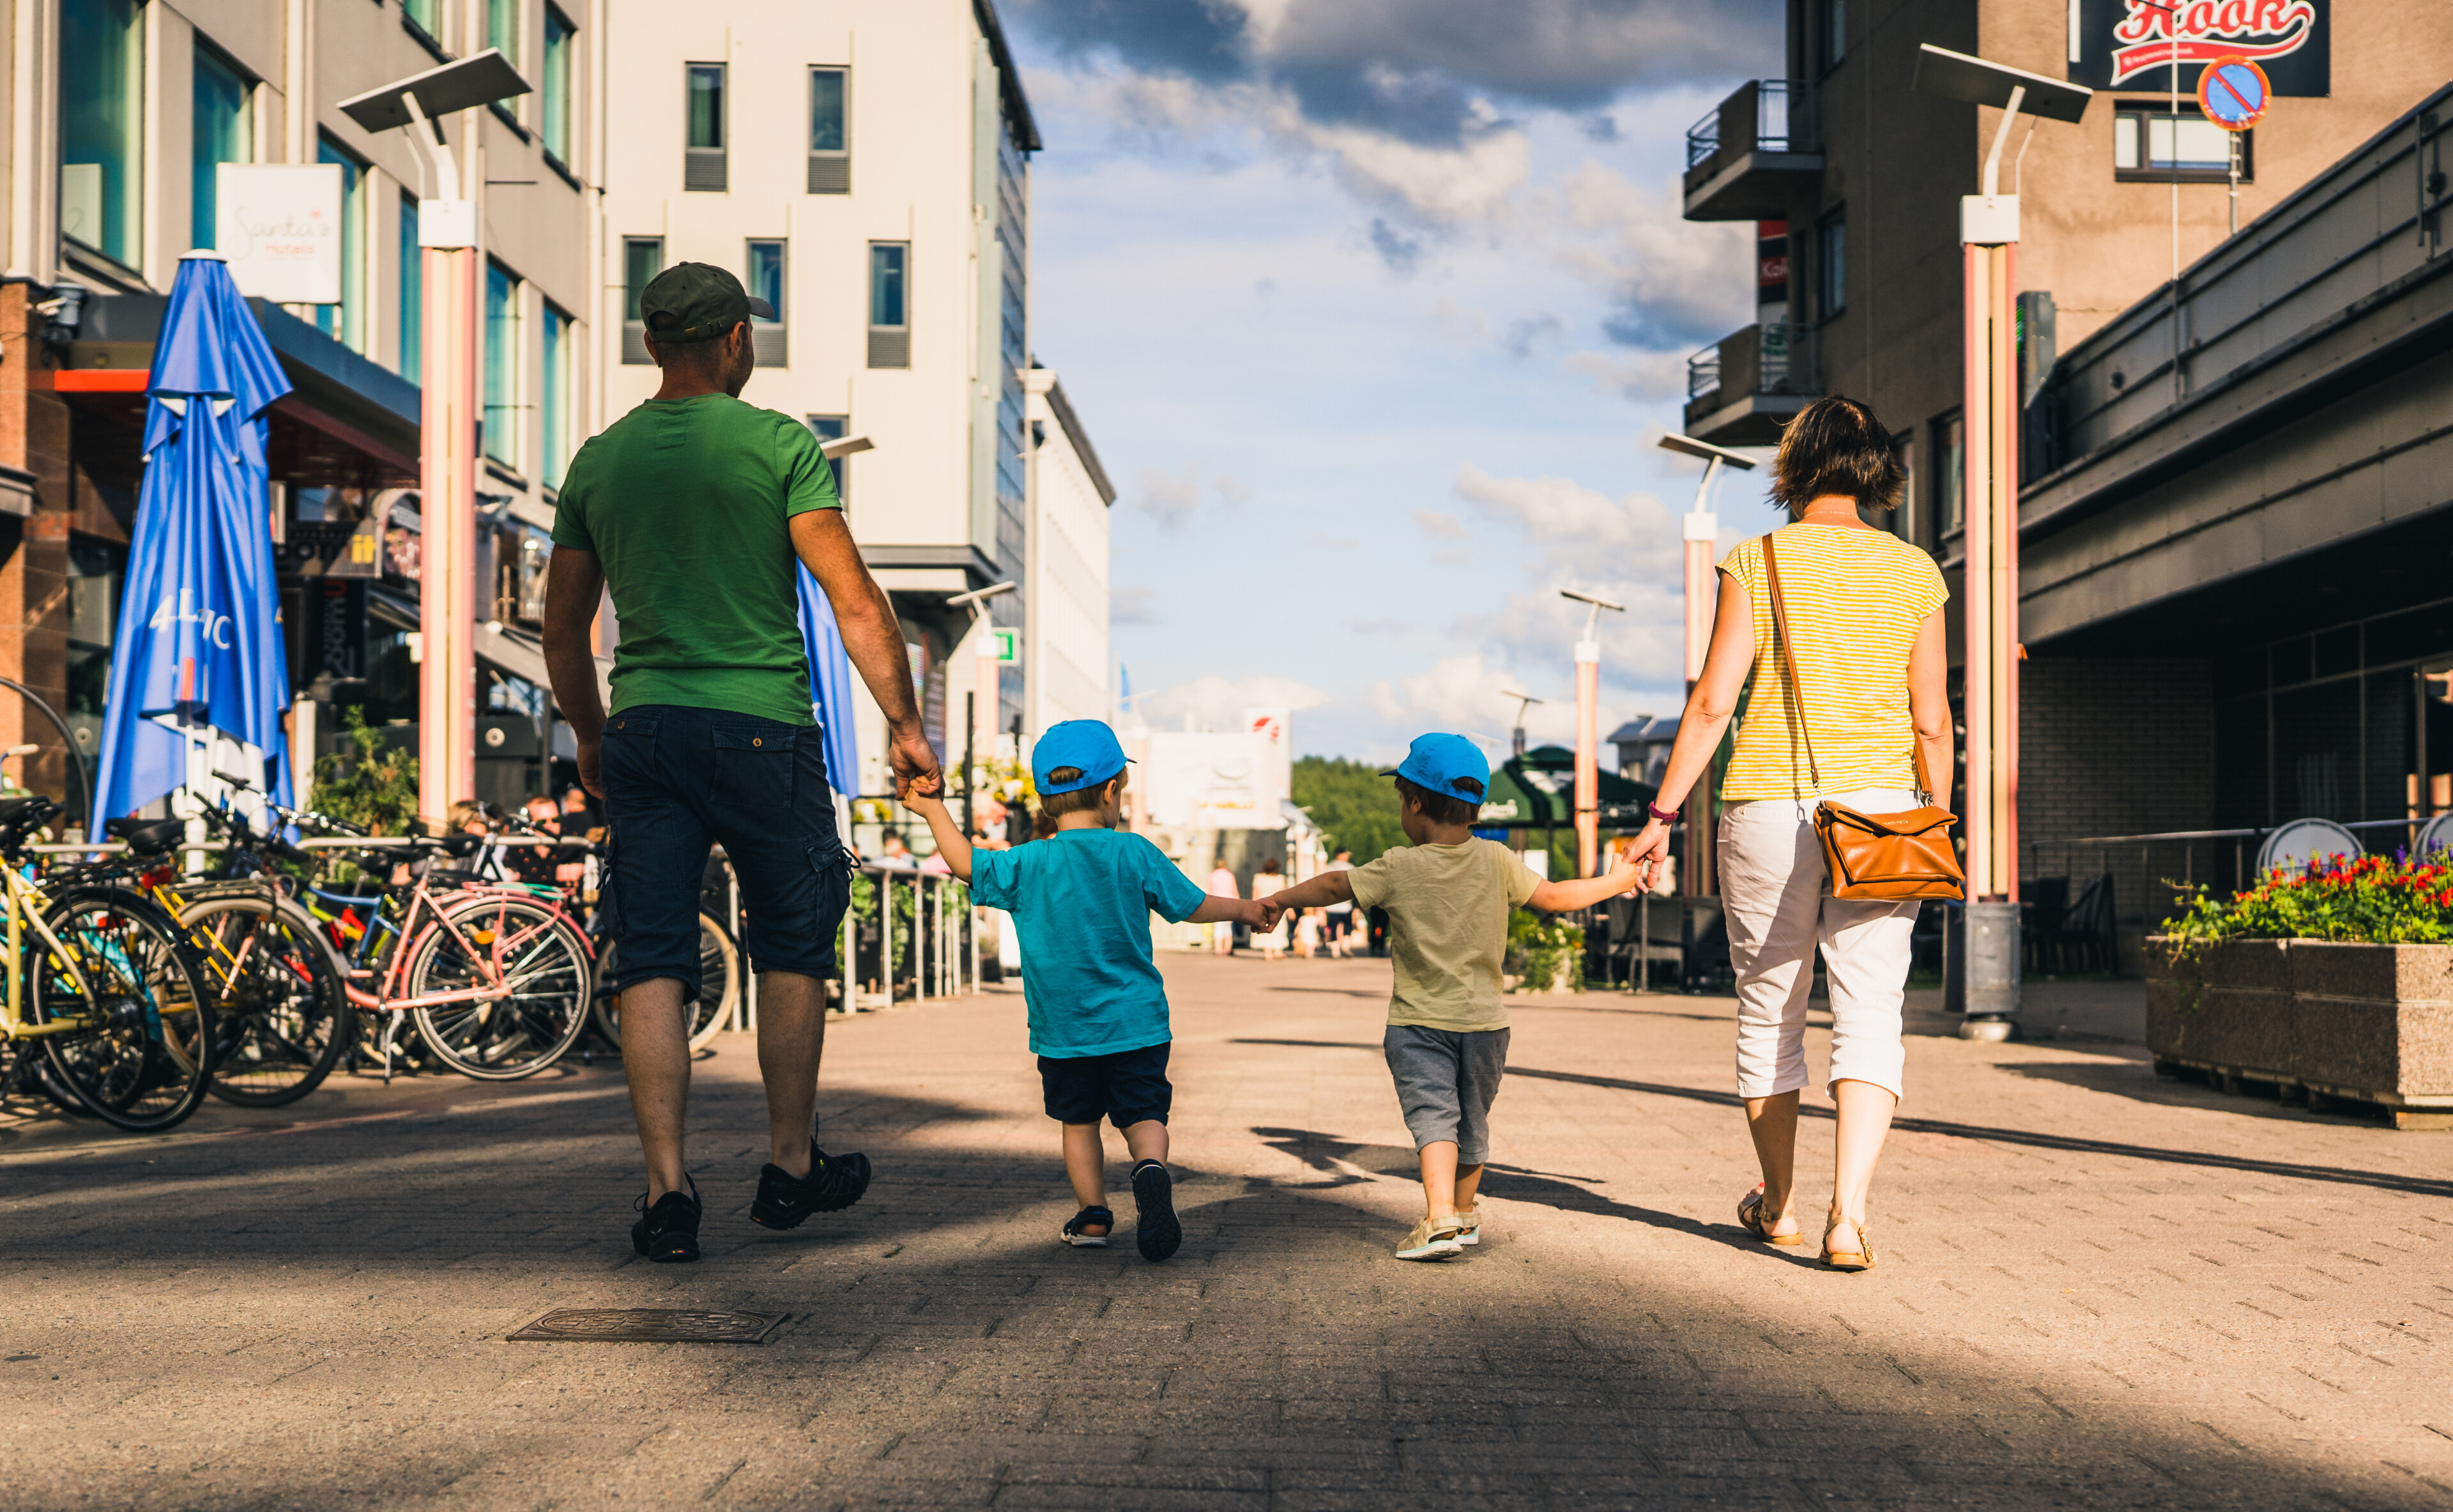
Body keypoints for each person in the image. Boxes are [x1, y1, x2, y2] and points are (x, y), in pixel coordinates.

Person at [542, 261, 944, 1264]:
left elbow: (560, 631)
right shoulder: (778, 445)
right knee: (794, 943)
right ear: (732, 342)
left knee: (655, 955)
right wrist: (904, 724)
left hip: (646, 731)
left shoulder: (600, 460)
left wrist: (592, 734)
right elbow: (857, 603)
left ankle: (668, 1190)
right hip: (766, 728)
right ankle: (791, 1163)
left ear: (650, 345)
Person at [1623, 395, 1951, 1273]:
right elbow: (1932, 721)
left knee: (1772, 1003)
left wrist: (1661, 818)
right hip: (1886, 813)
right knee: (1872, 1006)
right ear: (1877, 465)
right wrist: (1939, 816)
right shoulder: (1916, 570)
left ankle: (1778, 1203)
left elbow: (1711, 703)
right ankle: (1850, 1217)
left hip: (1770, 807)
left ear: (1794, 465)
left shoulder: (1754, 560)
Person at [1257, 734, 1644, 1261]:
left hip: (1418, 1023)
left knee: (1434, 1118)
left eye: (1400, 799)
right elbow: (1556, 896)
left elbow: (1332, 888)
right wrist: (1617, 881)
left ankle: (1439, 1217)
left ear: (1414, 801)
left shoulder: (1398, 865)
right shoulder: (1497, 860)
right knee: (1472, 1120)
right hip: (1487, 1025)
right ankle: (1462, 1214)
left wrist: (1279, 900)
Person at [901, 721, 1267, 1262]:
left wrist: (933, 808)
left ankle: (1094, 1217)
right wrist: (1243, 909)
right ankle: (1149, 1168)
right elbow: (1191, 904)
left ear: (1045, 801)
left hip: (1064, 1032)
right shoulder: (1135, 853)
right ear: (1113, 790)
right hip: (1137, 1025)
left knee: (1079, 1123)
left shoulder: (1028, 862)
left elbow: (965, 863)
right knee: (1144, 1116)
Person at [1249, 858, 1290, 961]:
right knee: (1279, 928)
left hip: (1263, 905)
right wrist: (1290, 910)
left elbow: (1256, 894)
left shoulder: (1259, 878)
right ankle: (1278, 950)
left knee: (1265, 926)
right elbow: (1284, 895)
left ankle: (1268, 953)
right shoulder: (1280, 879)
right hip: (1277, 905)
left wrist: (1253, 907)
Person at [1321, 848, 1356, 956]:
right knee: (1348, 926)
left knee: (1333, 926)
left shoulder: (1328, 868)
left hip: (1332, 903)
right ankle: (1345, 945)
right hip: (1346, 902)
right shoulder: (1350, 868)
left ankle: (1335, 949)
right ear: (1342, 855)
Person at [1205, 861, 1240, 955]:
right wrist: (1238, 903)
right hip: (1229, 902)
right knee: (1228, 927)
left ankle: (1218, 949)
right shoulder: (1229, 876)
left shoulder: (1212, 876)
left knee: (1218, 927)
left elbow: (1209, 890)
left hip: (1216, 902)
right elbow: (1234, 890)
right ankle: (1227, 948)